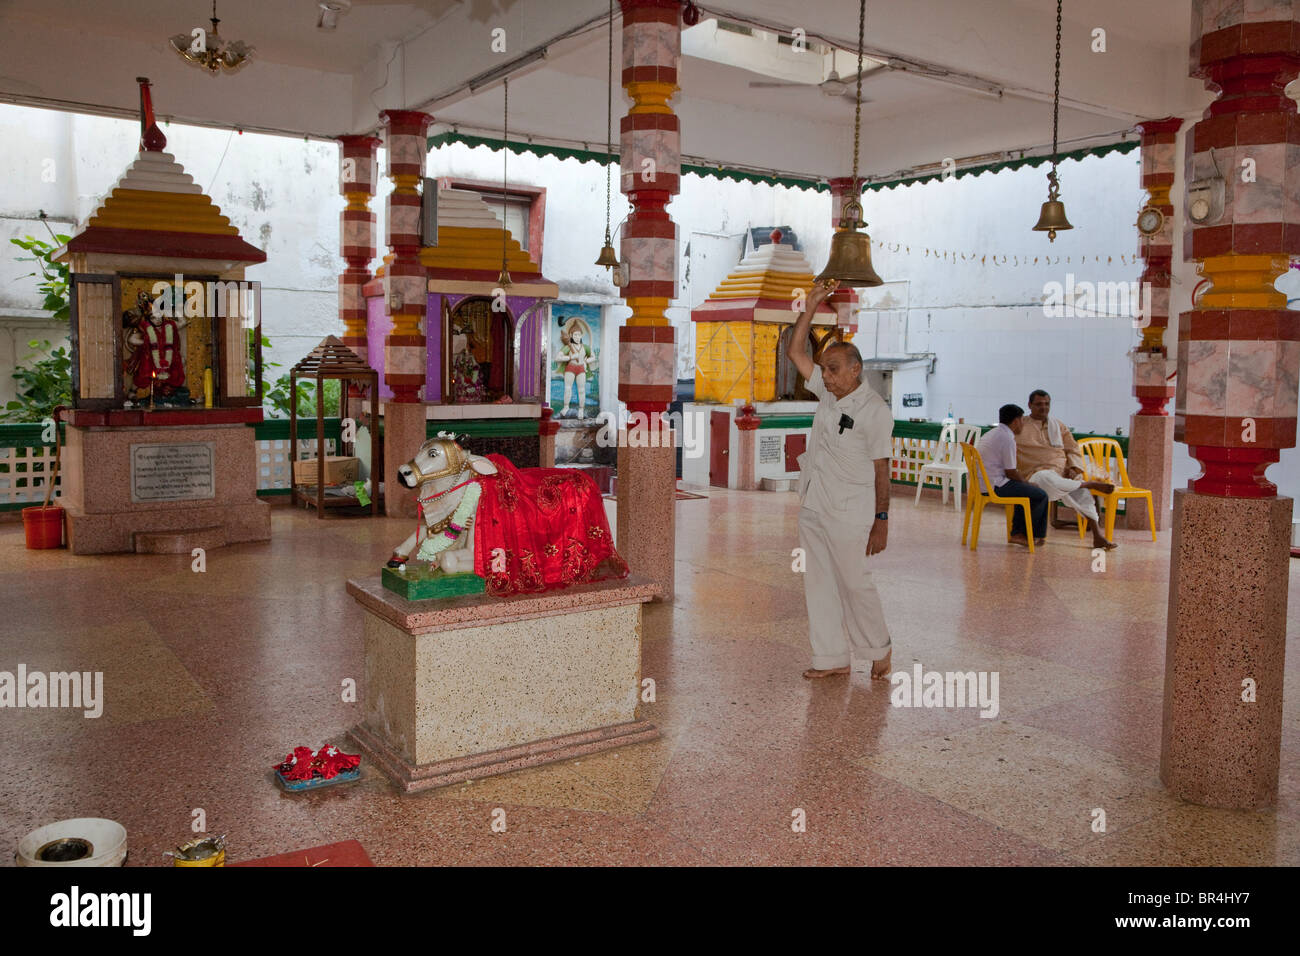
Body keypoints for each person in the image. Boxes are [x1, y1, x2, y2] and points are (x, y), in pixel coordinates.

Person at [785, 278, 895, 681]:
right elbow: (796, 351)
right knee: (819, 582)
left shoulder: (875, 411)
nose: (825, 377)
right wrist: (810, 305)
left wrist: (881, 521)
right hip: (814, 502)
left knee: (854, 582)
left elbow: (883, 470)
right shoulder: (830, 394)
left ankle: (879, 649)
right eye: (825, 370)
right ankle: (831, 658)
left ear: (855, 370)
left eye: (833, 370)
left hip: (852, 511)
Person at [1016, 389, 1117, 550]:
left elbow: (1072, 449)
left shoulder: (1057, 425)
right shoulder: (1019, 425)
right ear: (1029, 405)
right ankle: (1087, 484)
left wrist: (1074, 468)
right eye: (1039, 404)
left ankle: (1098, 536)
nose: (1044, 408)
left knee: (1079, 488)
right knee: (1045, 477)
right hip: (1035, 475)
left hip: (1061, 473)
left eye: (1047, 404)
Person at [975, 404, 1048, 547]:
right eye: (1021, 420)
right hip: (995, 485)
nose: (1022, 424)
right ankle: (1027, 535)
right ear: (1015, 421)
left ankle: (1019, 533)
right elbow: (1011, 472)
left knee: (1025, 492)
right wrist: (1027, 483)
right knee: (1040, 494)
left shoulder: (993, 433)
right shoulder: (1007, 438)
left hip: (983, 483)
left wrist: (1024, 485)